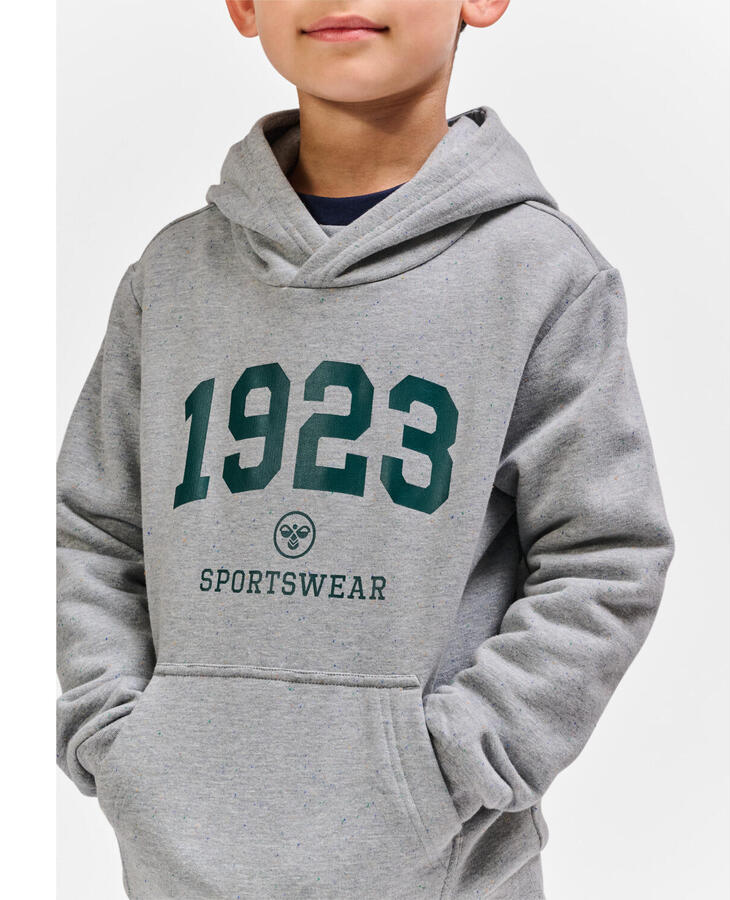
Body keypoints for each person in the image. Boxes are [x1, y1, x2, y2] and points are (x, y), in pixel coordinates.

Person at [56, 2, 676, 898]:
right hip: (179, 866)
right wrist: (119, 740)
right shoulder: (173, 278)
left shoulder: (541, 278)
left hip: (442, 871)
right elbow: (95, 527)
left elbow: (606, 556)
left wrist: (455, 766)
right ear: (244, 6)